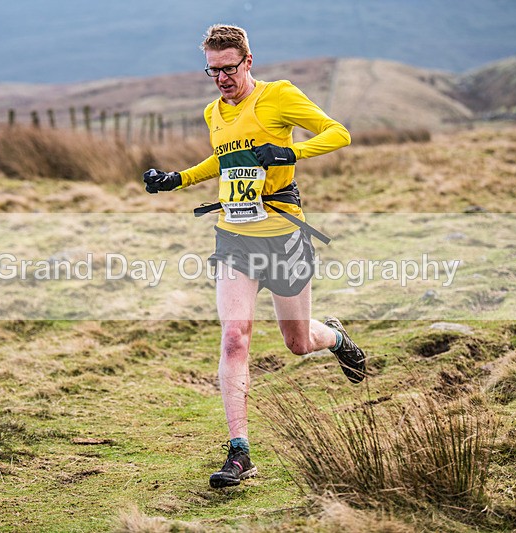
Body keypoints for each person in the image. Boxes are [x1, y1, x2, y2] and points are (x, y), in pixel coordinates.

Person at [142, 24, 365, 489]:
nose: (221, 78)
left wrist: (287, 151)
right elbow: (222, 162)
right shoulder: (213, 112)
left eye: (229, 68)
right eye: (212, 70)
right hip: (234, 238)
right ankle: (239, 451)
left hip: (284, 235)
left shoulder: (278, 96)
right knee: (235, 338)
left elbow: (338, 133)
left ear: (248, 61)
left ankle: (337, 339)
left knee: (298, 343)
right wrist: (176, 179)